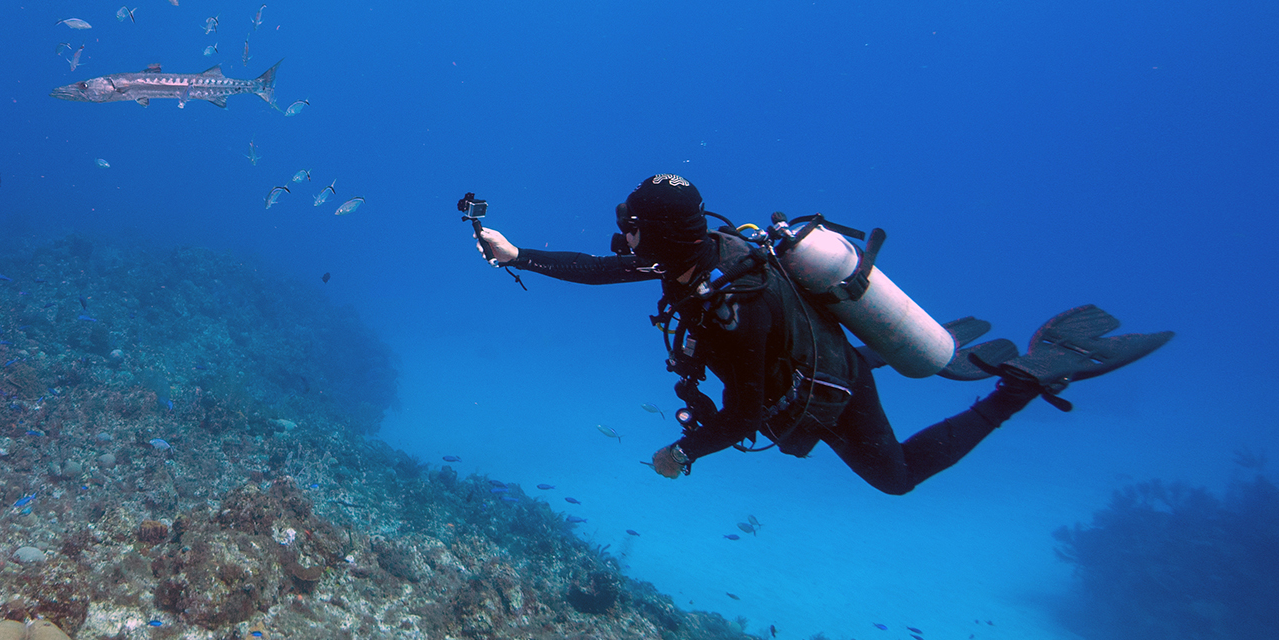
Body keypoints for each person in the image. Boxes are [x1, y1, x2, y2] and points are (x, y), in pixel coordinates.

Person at [474, 174, 1172, 494]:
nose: (624, 235)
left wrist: (683, 451)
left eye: (632, 225)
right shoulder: (696, 258)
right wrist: (516, 255)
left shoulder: (730, 304)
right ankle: (872, 352)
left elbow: (746, 411)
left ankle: (1015, 388)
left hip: (829, 389)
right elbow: (602, 270)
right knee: (808, 362)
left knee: (895, 478)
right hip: (793, 360)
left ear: (657, 235)